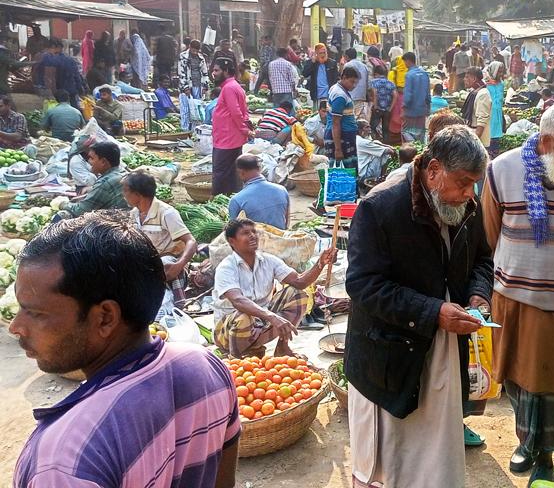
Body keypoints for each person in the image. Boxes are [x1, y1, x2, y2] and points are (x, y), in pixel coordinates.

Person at [10, 213, 240, 488]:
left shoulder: (63, 463)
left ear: (105, 317)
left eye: (34, 312)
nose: (16, 327)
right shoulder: (206, 366)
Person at [345, 125, 492, 488]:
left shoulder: (467, 208)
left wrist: (477, 294)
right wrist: (434, 312)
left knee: (435, 456)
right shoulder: (379, 209)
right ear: (433, 170)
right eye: (462, 182)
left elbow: (483, 260)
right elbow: (363, 285)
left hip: (443, 350)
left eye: (474, 183)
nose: (468, 193)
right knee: (390, 462)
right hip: (390, 356)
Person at [483, 103, 554, 483]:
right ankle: (524, 444)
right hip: (515, 296)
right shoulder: (502, 171)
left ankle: (546, 457)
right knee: (518, 380)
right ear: (547, 141)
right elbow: (488, 234)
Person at [213, 218, 337, 357]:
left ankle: (282, 348)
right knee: (243, 316)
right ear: (232, 241)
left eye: (254, 231)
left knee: (297, 294)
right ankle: (236, 359)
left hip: (260, 324)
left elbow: (299, 282)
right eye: (246, 233)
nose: (252, 235)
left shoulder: (269, 260)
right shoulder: (226, 267)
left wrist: (320, 263)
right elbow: (238, 301)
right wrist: (272, 317)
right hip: (227, 333)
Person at [122, 172, 198, 303]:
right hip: (144, 261)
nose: (124, 195)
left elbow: (191, 241)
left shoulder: (166, 213)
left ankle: (176, 304)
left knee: (163, 264)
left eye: (126, 191)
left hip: (165, 262)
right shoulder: (134, 214)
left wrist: (179, 265)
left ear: (137, 194)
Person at [211, 58, 251, 195]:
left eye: (216, 70)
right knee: (231, 174)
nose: (213, 73)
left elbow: (237, 113)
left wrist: (244, 129)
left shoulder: (229, 88)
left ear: (226, 71)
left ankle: (218, 202)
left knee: (220, 174)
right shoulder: (233, 86)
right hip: (229, 138)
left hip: (227, 140)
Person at [58, 141, 130, 218]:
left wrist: (63, 204)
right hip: (123, 217)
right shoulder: (122, 172)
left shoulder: (105, 183)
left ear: (103, 162)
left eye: (92, 158)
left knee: (62, 215)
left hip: (115, 222)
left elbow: (81, 210)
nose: (89, 161)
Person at [227, 154, 290, 230]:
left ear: (241, 172)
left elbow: (233, 232)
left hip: (255, 241)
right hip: (281, 239)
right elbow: (287, 223)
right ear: (260, 169)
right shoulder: (282, 190)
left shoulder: (236, 200)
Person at [327, 66, 361, 170]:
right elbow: (336, 123)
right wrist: (338, 149)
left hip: (345, 136)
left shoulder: (337, 88)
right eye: (352, 82)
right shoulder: (340, 96)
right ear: (344, 78)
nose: (354, 86)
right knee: (345, 172)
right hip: (342, 138)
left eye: (356, 83)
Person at [37, 39, 85, 108]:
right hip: (71, 90)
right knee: (74, 109)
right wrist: (80, 88)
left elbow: (44, 75)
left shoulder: (48, 59)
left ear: (54, 48)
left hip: (58, 92)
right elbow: (77, 76)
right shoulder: (70, 59)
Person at [471, 61, 505, 152]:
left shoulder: (501, 84)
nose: (501, 74)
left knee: (496, 139)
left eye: (502, 71)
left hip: (497, 115)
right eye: (499, 71)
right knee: (487, 137)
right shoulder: (486, 85)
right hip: (489, 114)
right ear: (494, 71)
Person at [402, 52, 431, 143]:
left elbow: (408, 95)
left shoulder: (409, 75)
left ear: (408, 61)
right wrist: (428, 108)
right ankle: (420, 152)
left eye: (405, 62)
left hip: (411, 110)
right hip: (422, 110)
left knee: (406, 132)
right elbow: (428, 94)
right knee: (421, 133)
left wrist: (404, 107)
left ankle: (410, 151)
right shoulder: (425, 74)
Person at [368, 64, 398, 141]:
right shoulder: (391, 83)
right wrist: (390, 108)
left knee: (372, 127)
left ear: (376, 74)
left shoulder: (373, 82)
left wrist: (375, 106)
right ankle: (386, 144)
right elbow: (395, 95)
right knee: (386, 129)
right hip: (387, 110)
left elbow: (374, 93)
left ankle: (375, 142)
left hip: (377, 108)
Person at [342, 48, 372, 122]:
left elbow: (343, 81)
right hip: (361, 96)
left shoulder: (347, 65)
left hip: (350, 96)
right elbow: (368, 83)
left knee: (350, 119)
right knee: (359, 120)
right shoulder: (364, 66)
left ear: (347, 56)